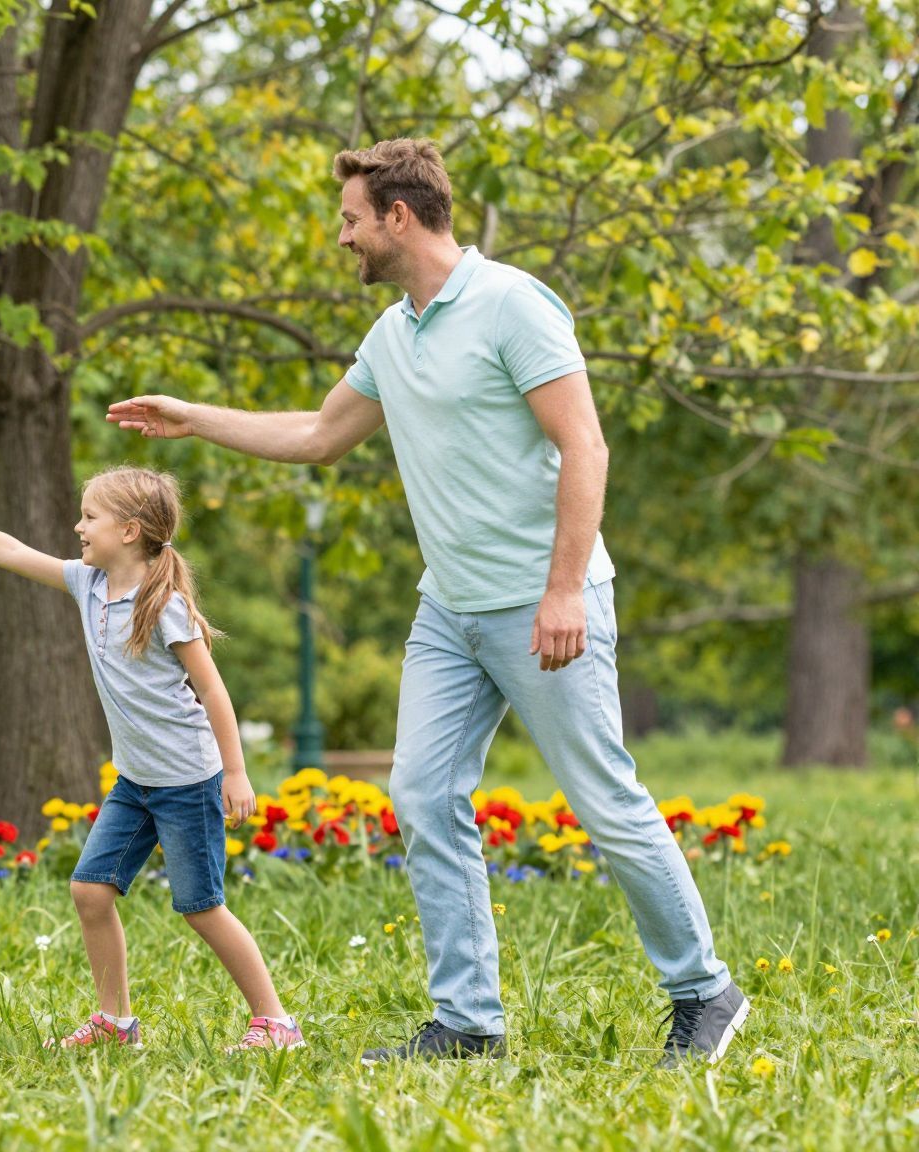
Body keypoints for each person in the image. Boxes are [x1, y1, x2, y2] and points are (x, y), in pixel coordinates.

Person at [107, 138, 745, 1069]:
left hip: (541, 603)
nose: (343, 239)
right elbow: (321, 434)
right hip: (449, 610)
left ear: (398, 218)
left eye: (351, 221)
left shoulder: (511, 305)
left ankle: (704, 990)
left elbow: (586, 447)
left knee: (603, 799)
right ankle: (467, 1021)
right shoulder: (394, 332)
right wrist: (192, 417)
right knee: (421, 793)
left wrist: (564, 588)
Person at [0, 467, 302, 1052]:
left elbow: (214, 691)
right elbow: (9, 550)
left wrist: (235, 772)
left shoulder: (167, 606)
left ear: (129, 531)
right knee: (90, 891)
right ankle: (115, 1022)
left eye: (89, 517)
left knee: (201, 908)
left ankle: (276, 1023)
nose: (77, 527)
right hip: (136, 781)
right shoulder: (89, 584)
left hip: (185, 781)